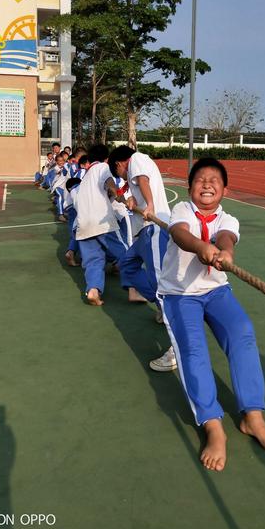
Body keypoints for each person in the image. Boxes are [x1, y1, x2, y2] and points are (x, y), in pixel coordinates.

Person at [157, 157, 265, 471]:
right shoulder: (182, 211)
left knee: (243, 333)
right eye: (200, 180)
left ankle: (253, 417)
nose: (208, 184)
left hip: (216, 291)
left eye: (215, 180)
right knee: (194, 353)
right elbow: (180, 234)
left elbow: (226, 238)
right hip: (179, 295)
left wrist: (224, 252)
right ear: (189, 188)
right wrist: (201, 248)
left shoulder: (229, 219)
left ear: (225, 189)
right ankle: (213, 427)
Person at [108, 145, 175, 371]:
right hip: (142, 233)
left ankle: (177, 346)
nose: (122, 177)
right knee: (126, 267)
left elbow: (144, 181)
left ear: (119, 164)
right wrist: (133, 202)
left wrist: (150, 205)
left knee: (160, 283)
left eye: (118, 173)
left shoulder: (137, 159)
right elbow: (139, 188)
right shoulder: (134, 176)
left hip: (154, 228)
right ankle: (159, 305)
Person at [75, 144, 136, 306]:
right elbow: (109, 183)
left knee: (93, 260)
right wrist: (117, 194)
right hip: (102, 223)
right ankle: (134, 289)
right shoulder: (102, 167)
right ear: (107, 159)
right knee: (126, 253)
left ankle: (93, 290)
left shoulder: (86, 176)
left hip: (83, 225)